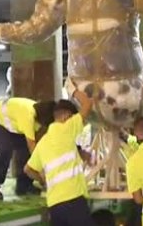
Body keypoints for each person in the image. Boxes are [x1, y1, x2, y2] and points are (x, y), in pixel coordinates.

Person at [24, 91, 96, 226]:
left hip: (54, 204)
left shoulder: (43, 142)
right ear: (67, 116)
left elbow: (28, 169)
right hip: (73, 200)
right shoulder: (67, 128)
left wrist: (43, 180)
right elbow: (87, 105)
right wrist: (74, 89)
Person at [0, 98, 55, 200]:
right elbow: (32, 147)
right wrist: (41, 172)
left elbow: (38, 145)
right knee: (5, 149)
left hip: (7, 124)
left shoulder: (38, 118)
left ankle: (23, 186)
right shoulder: (28, 116)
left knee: (24, 148)